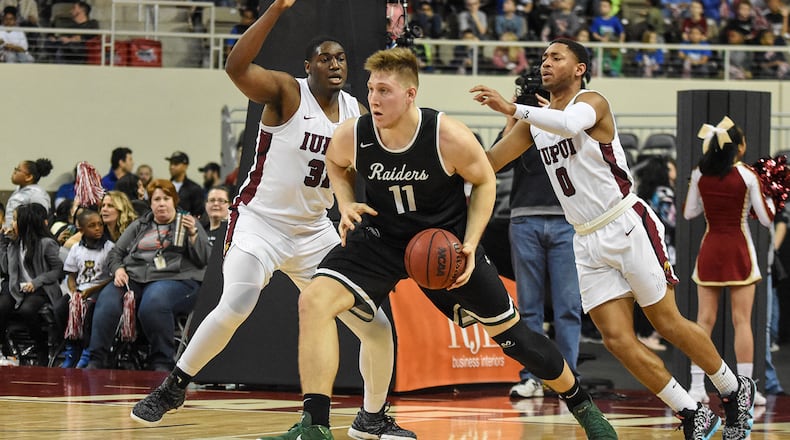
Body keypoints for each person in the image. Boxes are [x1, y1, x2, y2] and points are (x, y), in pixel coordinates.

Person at [261, 47, 617, 440]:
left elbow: (484, 181)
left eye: (384, 91)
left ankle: (583, 407)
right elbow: (335, 163)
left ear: (410, 94)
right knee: (313, 301)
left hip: (444, 246)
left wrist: (471, 243)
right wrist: (345, 203)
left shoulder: (446, 135)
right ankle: (315, 425)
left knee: (516, 339)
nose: (374, 99)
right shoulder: (355, 133)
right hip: (381, 238)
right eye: (371, 89)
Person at [131, 3, 411, 440]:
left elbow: (376, 164)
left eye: (340, 58)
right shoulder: (287, 93)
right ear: (308, 66)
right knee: (238, 302)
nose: (335, 64)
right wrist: (276, 9)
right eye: (325, 58)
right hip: (259, 222)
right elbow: (236, 67)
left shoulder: (356, 112)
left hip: (315, 230)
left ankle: (371, 418)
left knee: (376, 327)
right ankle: (174, 386)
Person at [470, 38, 757, 440]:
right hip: (585, 238)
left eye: (556, 57)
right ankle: (692, 412)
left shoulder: (592, 102)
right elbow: (489, 163)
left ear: (580, 68)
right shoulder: (534, 124)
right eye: (544, 57)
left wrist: (512, 108)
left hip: (625, 223)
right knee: (617, 340)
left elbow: (569, 125)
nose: (546, 62)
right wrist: (443, 155)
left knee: (667, 322)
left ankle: (732, 388)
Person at [494, 98, 583, 400]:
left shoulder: (571, 118)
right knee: (529, 306)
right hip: (524, 218)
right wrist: (512, 118)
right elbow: (497, 163)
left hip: (567, 220)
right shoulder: (521, 124)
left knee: (568, 306)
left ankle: (568, 380)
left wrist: (554, 114)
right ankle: (532, 376)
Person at [683, 116, 774, 408]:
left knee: (703, 321)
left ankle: (697, 386)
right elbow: (765, 218)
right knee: (742, 321)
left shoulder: (699, 173)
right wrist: (772, 198)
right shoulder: (748, 176)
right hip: (739, 250)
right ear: (740, 147)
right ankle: (745, 389)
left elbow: (689, 213)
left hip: (710, 250)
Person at [85, 179, 211, 371]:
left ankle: (162, 361)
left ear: (174, 201)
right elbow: (116, 253)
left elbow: (205, 259)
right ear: (150, 203)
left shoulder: (188, 222)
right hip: (136, 276)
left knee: (154, 302)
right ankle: (97, 359)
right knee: (108, 300)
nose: (161, 204)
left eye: (166, 199)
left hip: (176, 278)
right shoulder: (141, 224)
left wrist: (193, 234)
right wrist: (118, 269)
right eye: (156, 199)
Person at [0, 203, 63, 366]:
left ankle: (41, 347)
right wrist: (4, 243)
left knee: (27, 310)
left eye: (15, 219)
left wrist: (36, 282)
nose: (11, 223)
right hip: (18, 287)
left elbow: (58, 270)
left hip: (41, 288)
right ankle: (5, 349)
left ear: (25, 222)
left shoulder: (46, 243)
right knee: (2, 307)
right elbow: (5, 268)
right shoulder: (15, 243)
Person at [60, 208, 114, 368]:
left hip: (100, 289)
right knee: (60, 308)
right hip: (80, 290)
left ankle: (87, 351)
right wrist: (73, 292)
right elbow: (71, 275)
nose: (98, 228)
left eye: (100, 224)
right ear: (81, 229)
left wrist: (90, 291)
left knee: (88, 311)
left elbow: (112, 276)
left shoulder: (109, 248)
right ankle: (71, 349)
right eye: (92, 225)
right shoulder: (76, 248)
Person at [4, 158, 53, 229]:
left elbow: (40, 220)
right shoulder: (19, 189)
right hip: (10, 232)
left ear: (29, 177)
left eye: (18, 170)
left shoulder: (37, 195)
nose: (14, 172)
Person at [165, 151, 205, 218]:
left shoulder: (194, 188)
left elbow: (198, 213)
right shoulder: (165, 186)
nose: (172, 167)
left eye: (176, 164)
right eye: (171, 163)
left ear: (185, 166)